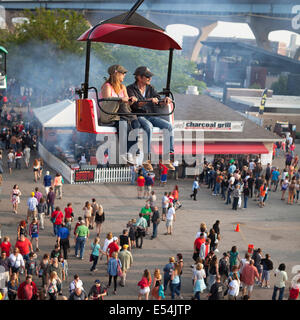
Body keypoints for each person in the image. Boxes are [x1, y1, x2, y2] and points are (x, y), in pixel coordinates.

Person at [127, 66, 174, 162]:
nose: (150, 79)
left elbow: (157, 99)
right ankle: (147, 156)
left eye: (150, 76)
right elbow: (136, 104)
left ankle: (170, 153)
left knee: (168, 126)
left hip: (151, 115)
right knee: (148, 126)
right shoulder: (130, 89)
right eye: (147, 76)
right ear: (139, 77)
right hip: (138, 115)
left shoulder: (150, 88)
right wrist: (149, 100)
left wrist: (164, 100)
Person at [100, 64, 140, 156]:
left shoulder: (123, 87)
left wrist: (131, 100)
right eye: (123, 73)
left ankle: (131, 148)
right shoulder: (107, 86)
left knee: (136, 123)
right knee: (123, 124)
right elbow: (106, 102)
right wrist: (119, 99)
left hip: (122, 113)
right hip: (111, 114)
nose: (124, 75)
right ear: (116, 74)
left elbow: (126, 102)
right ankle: (127, 150)